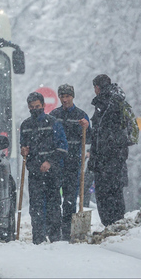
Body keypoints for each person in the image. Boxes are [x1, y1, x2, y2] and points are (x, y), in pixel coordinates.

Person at [20, 91, 69, 244]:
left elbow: (62, 148)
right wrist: (23, 150)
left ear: (43, 106)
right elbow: (24, 146)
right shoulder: (25, 125)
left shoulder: (53, 123)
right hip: (34, 172)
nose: (35, 109)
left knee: (54, 204)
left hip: (52, 172)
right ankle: (38, 237)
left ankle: (55, 236)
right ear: (28, 107)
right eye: (32, 107)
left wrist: (49, 162)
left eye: (38, 106)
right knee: (36, 206)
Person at [49, 84, 91, 241]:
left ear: (73, 97)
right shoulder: (54, 115)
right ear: (59, 97)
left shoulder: (81, 115)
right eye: (62, 96)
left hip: (73, 164)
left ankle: (67, 232)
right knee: (54, 199)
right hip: (56, 164)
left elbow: (90, 138)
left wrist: (86, 128)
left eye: (68, 96)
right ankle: (54, 232)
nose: (65, 99)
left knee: (70, 200)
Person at [88, 74, 129, 227]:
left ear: (97, 87)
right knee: (115, 193)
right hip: (116, 158)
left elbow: (100, 135)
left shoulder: (105, 104)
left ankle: (111, 225)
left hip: (106, 160)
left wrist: (95, 158)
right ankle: (116, 224)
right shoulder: (118, 101)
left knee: (105, 196)